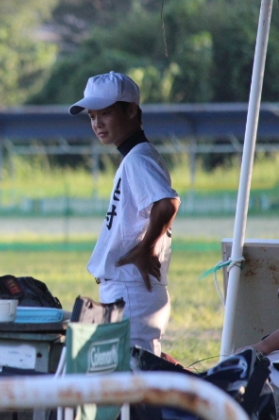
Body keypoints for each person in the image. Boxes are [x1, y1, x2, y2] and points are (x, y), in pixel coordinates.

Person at [69, 71, 180, 357]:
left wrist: (146, 248)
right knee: (134, 364)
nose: (97, 123)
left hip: (131, 286)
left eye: (105, 113)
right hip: (127, 286)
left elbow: (167, 203)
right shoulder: (135, 157)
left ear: (131, 111)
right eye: (92, 116)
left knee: (134, 368)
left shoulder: (138, 158)